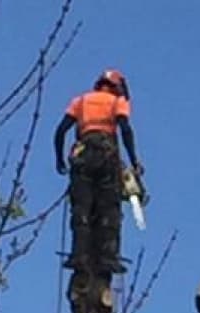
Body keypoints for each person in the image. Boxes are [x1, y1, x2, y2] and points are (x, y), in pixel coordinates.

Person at [53, 68, 145, 274]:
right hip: (106, 157)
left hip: (82, 157)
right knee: (109, 208)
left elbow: (60, 131)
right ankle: (108, 257)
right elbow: (125, 129)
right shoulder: (116, 102)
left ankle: (79, 255)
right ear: (117, 87)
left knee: (82, 208)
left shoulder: (81, 101)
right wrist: (134, 160)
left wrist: (59, 159)